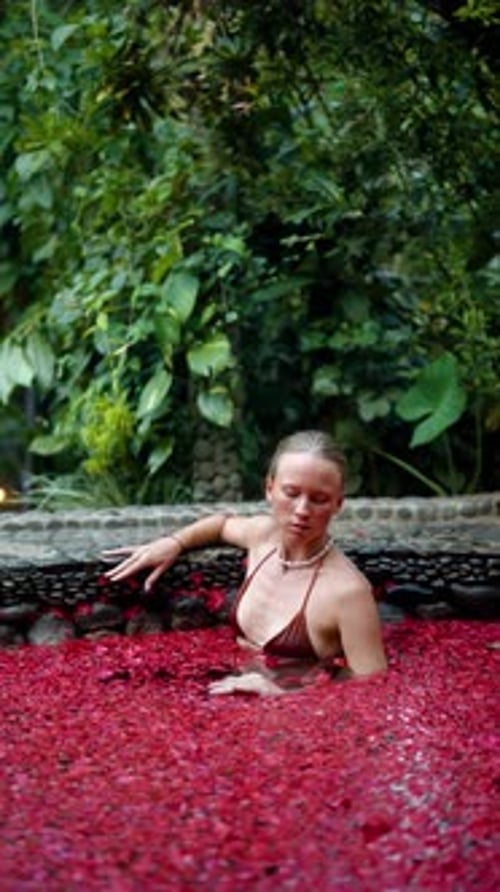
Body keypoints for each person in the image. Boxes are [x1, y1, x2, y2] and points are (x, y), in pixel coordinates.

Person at [103, 430, 387, 694]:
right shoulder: (262, 535)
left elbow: (372, 685)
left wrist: (284, 694)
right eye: (291, 493)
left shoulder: (348, 593)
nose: (302, 510)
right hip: (228, 688)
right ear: (269, 488)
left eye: (319, 499)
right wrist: (174, 542)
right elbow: (221, 525)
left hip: (293, 723)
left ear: (338, 504)